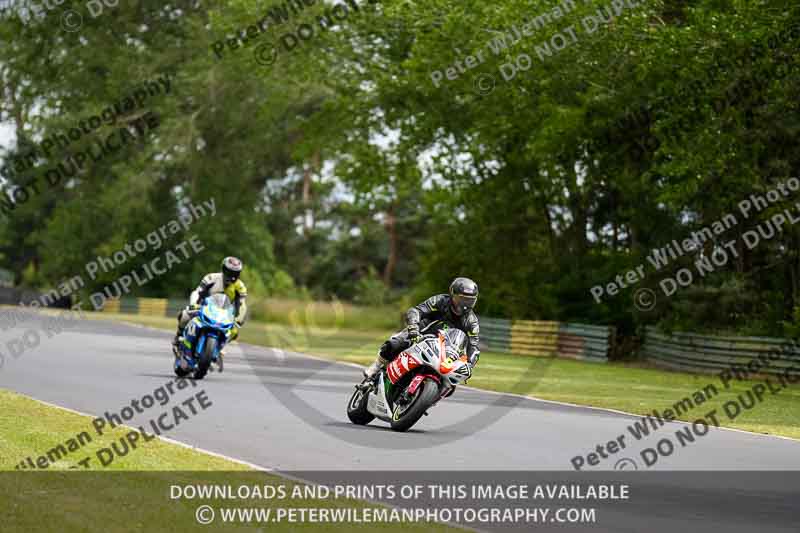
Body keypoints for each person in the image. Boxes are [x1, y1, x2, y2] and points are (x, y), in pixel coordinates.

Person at [363, 277, 481, 379]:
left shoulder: (471, 321)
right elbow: (416, 311)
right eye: (462, 299)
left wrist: (469, 365)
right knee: (396, 343)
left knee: (452, 379)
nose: (465, 304)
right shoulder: (440, 301)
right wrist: (413, 329)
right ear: (452, 295)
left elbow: (473, 346)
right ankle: (376, 365)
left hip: (445, 350)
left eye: (469, 300)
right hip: (422, 334)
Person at [172, 256, 248, 371]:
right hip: (203, 308)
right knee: (184, 315)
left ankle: (218, 349)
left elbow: (242, 305)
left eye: (235, 273)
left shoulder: (240, 287)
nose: (232, 276)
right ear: (223, 269)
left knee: (234, 331)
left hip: (224, 314)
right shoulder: (211, 278)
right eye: (229, 272)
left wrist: (238, 320)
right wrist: (193, 304)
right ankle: (178, 338)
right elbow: (197, 292)